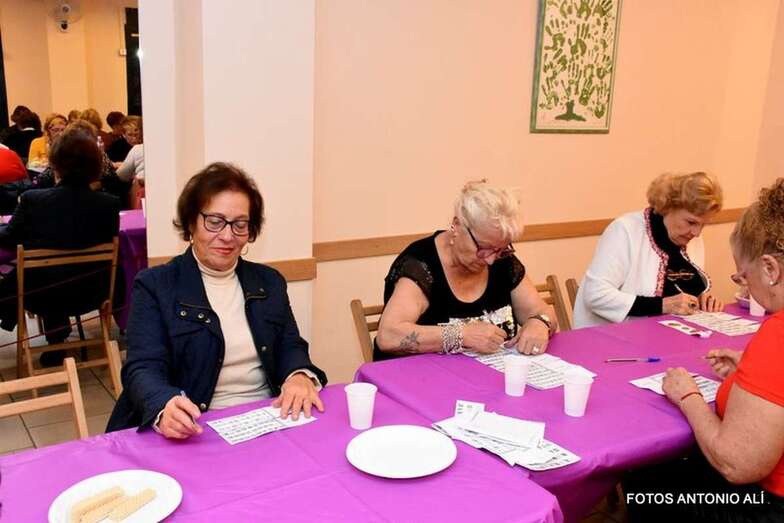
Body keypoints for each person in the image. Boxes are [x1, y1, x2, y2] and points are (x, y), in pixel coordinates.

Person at [107, 162, 327, 437]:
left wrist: (299, 375)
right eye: (214, 222)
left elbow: (290, 345)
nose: (227, 236)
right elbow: (142, 367)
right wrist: (164, 403)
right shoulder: (155, 285)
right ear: (191, 222)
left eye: (240, 225)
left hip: (266, 418)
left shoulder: (269, 281)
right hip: (197, 425)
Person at [624, 179, 784, 522]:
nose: (747, 289)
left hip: (766, 508)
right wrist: (749, 372)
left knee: (645, 478)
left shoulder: (778, 334)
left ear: (771, 269)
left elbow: (736, 463)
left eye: (744, 277)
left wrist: (688, 397)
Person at [375, 181, 556, 361]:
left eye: (501, 250)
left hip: (488, 373)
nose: (490, 260)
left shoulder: (501, 260)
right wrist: (461, 335)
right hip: (422, 374)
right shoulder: (421, 264)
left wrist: (540, 323)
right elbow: (389, 336)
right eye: (483, 247)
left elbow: (542, 311)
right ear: (457, 225)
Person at [0, 125, 120, 367]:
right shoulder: (109, 204)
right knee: (58, 269)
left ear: (55, 163)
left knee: (36, 273)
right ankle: (58, 337)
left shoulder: (34, 201)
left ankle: (54, 338)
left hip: (41, 295)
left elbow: (9, 239)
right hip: (93, 292)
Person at [573, 172, 725, 328]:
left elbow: (676, 287)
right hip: (612, 335)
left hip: (669, 333)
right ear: (668, 207)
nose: (697, 233)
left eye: (703, 225)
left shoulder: (691, 238)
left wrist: (700, 299)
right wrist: (662, 305)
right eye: (691, 222)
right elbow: (595, 295)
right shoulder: (625, 230)